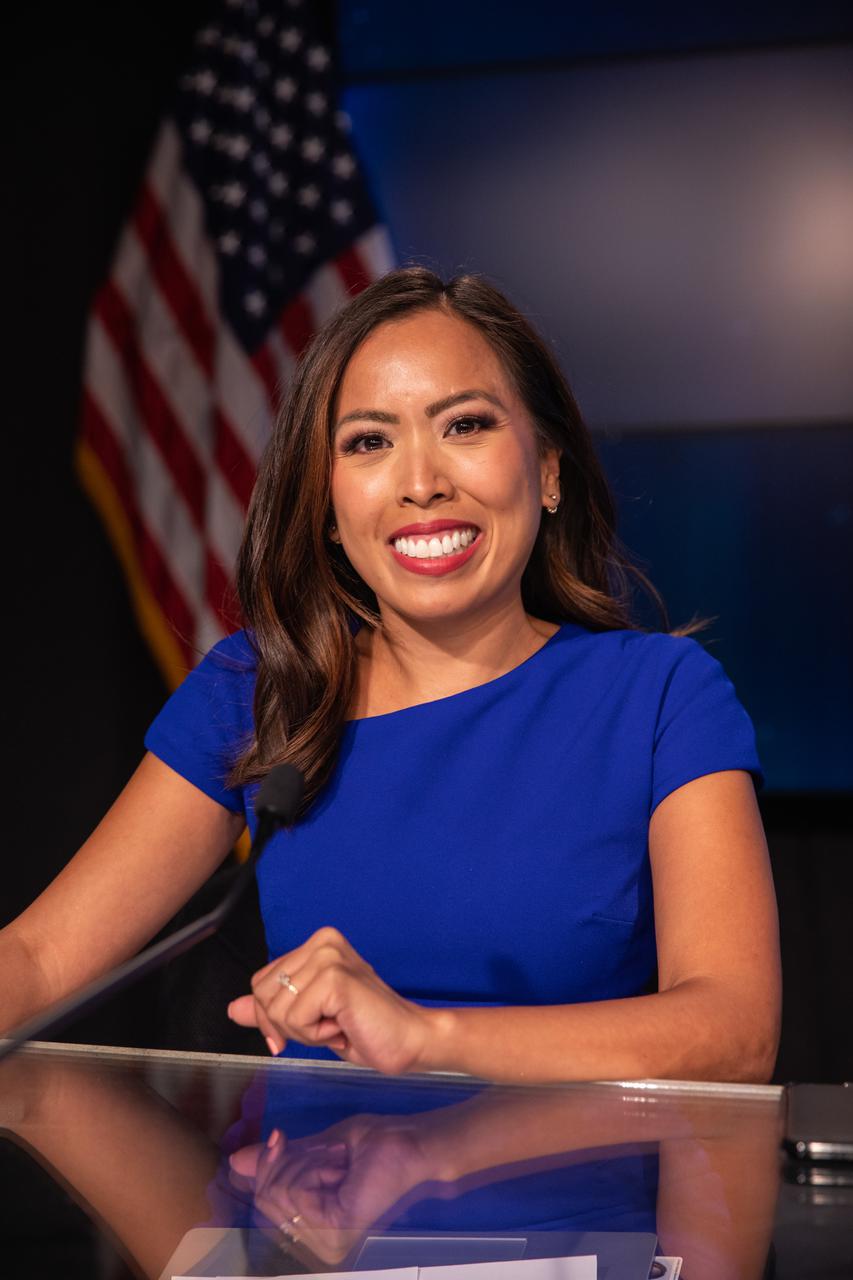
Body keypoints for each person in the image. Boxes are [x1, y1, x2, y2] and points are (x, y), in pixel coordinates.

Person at [0, 267, 781, 1083]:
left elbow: (734, 1030)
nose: (420, 483)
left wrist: (422, 1037)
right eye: (369, 441)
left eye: (466, 426)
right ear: (328, 505)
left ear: (548, 470)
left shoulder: (660, 696)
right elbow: (40, 959)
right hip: (307, 1205)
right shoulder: (258, 689)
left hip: (574, 1202)